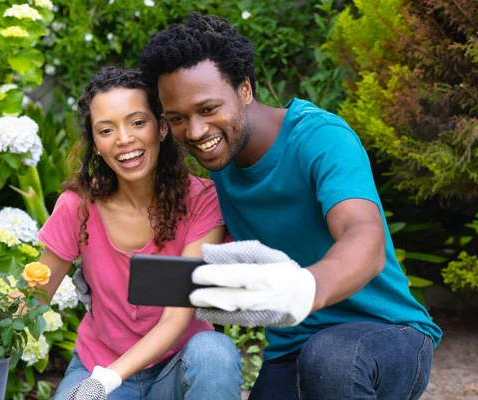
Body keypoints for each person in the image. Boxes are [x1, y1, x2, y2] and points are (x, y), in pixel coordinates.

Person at [138, 13, 443, 400]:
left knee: (332, 358)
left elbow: (363, 237)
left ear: (245, 89)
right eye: (178, 118)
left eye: (209, 108)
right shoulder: (220, 164)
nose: (195, 132)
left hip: (387, 334)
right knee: (316, 357)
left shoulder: (321, 139)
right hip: (293, 349)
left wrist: (307, 287)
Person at [37, 66, 242, 400]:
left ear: (161, 127)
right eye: (106, 130)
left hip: (177, 369)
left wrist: (101, 384)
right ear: (96, 144)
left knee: (214, 352)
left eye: (137, 122)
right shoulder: (78, 207)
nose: (123, 139)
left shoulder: (200, 201)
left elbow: (176, 319)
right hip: (98, 363)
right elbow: (35, 297)